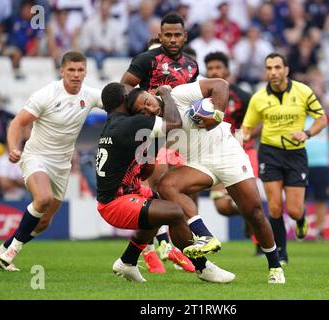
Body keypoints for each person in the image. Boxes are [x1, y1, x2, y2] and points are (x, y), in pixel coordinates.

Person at [128, 78, 285, 284]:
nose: (150, 109)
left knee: (254, 214)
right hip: (198, 164)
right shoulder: (152, 125)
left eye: (148, 101)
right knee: (167, 185)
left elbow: (221, 85)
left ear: (150, 93)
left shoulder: (178, 94)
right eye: (143, 111)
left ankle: (275, 266)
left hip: (228, 154)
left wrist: (217, 115)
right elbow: (151, 154)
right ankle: (204, 235)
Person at [96, 82, 234, 283]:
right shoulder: (130, 124)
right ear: (122, 99)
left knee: (159, 205)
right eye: (130, 95)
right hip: (116, 203)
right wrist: (167, 94)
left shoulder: (113, 124)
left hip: (126, 193)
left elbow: (145, 172)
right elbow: (174, 124)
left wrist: (151, 146)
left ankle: (127, 262)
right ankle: (203, 267)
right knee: (174, 213)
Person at [0, 51, 103, 271]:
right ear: (62, 71)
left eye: (80, 70)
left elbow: (117, 101)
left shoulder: (89, 95)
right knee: (42, 199)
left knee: (43, 222)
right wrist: (14, 148)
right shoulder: (47, 94)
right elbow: (17, 123)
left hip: (62, 165)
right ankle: (12, 252)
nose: (76, 74)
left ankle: (3, 250)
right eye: (71, 69)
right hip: (37, 157)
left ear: (86, 72)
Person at [121, 12, 199, 273]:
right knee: (152, 188)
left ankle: (167, 246)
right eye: (168, 34)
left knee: (179, 189)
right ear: (160, 35)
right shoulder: (146, 60)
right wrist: (144, 108)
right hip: (151, 133)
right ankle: (157, 246)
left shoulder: (192, 66)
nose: (173, 39)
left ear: (184, 36)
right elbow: (125, 88)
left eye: (178, 35)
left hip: (180, 133)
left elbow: (193, 98)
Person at [242, 52, 327, 265]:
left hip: (296, 154)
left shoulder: (303, 91)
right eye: (269, 68)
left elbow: (322, 119)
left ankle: (300, 220)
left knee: (295, 209)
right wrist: (240, 137)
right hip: (270, 153)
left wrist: (306, 133)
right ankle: (281, 252)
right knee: (274, 207)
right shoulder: (258, 98)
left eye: (277, 67)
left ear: (286, 69)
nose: (273, 72)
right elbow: (248, 127)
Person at [203, 51, 263, 254]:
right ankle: (248, 216)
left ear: (227, 70)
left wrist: (244, 135)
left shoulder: (242, 96)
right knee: (222, 206)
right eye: (210, 68)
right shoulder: (201, 97)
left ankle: (261, 244)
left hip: (243, 151)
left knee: (250, 198)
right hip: (214, 154)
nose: (214, 71)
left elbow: (260, 121)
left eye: (218, 67)